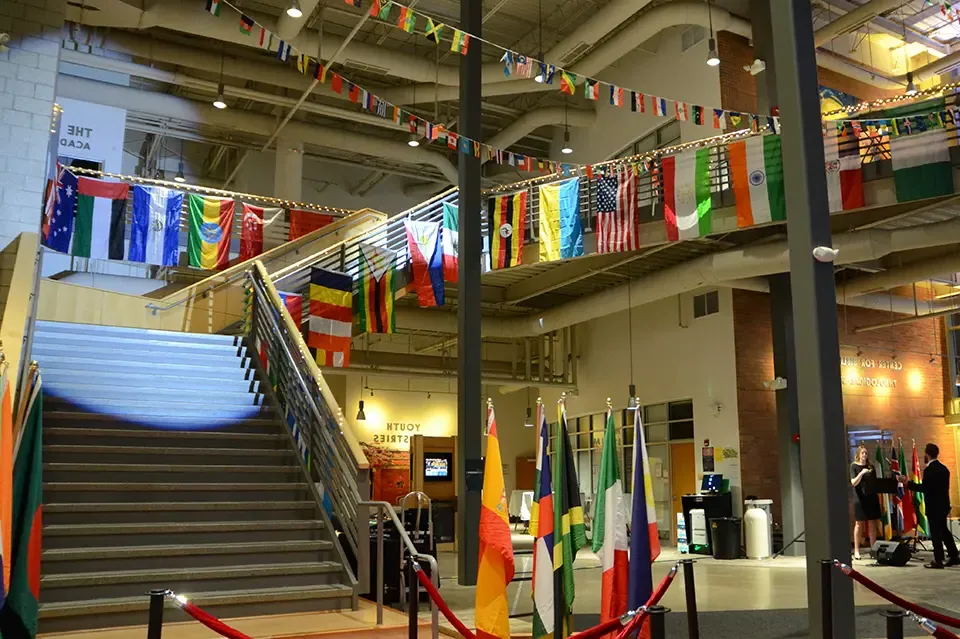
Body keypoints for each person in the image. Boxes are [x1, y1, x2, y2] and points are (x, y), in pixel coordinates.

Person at [900, 443, 959, 569]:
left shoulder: (929, 470)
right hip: (943, 505)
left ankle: (938, 560)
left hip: (933, 507)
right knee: (944, 531)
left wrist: (908, 483)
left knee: (936, 533)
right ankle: (954, 556)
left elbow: (925, 488)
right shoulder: (944, 469)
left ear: (927, 454)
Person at [850, 444, 881, 560]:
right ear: (858, 454)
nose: (864, 455)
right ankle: (856, 550)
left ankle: (873, 549)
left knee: (872, 523)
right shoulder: (854, 466)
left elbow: (875, 482)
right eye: (862, 453)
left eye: (866, 453)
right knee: (859, 524)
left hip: (871, 498)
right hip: (860, 498)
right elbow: (853, 482)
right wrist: (862, 473)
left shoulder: (871, 467)